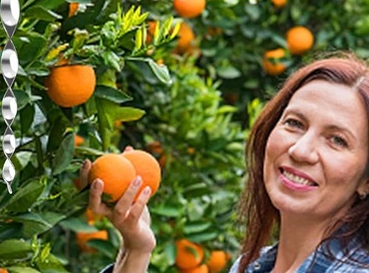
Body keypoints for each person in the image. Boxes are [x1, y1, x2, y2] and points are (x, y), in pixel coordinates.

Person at [77, 52, 369, 272]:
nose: (301, 150)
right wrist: (136, 248)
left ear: (365, 180)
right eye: (294, 123)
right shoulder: (250, 266)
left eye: (337, 140)